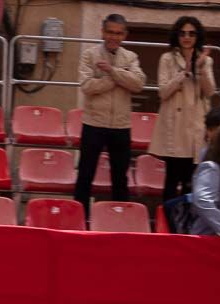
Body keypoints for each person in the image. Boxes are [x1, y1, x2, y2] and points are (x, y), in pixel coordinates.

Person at [74, 13, 145, 213]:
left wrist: (112, 71)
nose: (114, 37)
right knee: (85, 175)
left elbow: (139, 83)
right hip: (93, 123)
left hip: (121, 126)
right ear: (103, 32)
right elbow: (87, 86)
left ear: (125, 35)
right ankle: (80, 221)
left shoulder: (131, 57)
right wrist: (118, 78)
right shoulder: (89, 55)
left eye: (118, 33)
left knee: (120, 178)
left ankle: (118, 222)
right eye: (110, 32)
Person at [149, 16, 217, 200]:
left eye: (192, 33)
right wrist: (184, 72)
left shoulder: (205, 60)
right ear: (176, 35)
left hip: (195, 127)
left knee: (191, 183)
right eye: (182, 33)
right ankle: (167, 224)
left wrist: (200, 68)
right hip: (174, 126)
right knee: (171, 182)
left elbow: (210, 91)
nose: (187, 37)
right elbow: (163, 92)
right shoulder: (167, 58)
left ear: (198, 36)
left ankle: (187, 226)